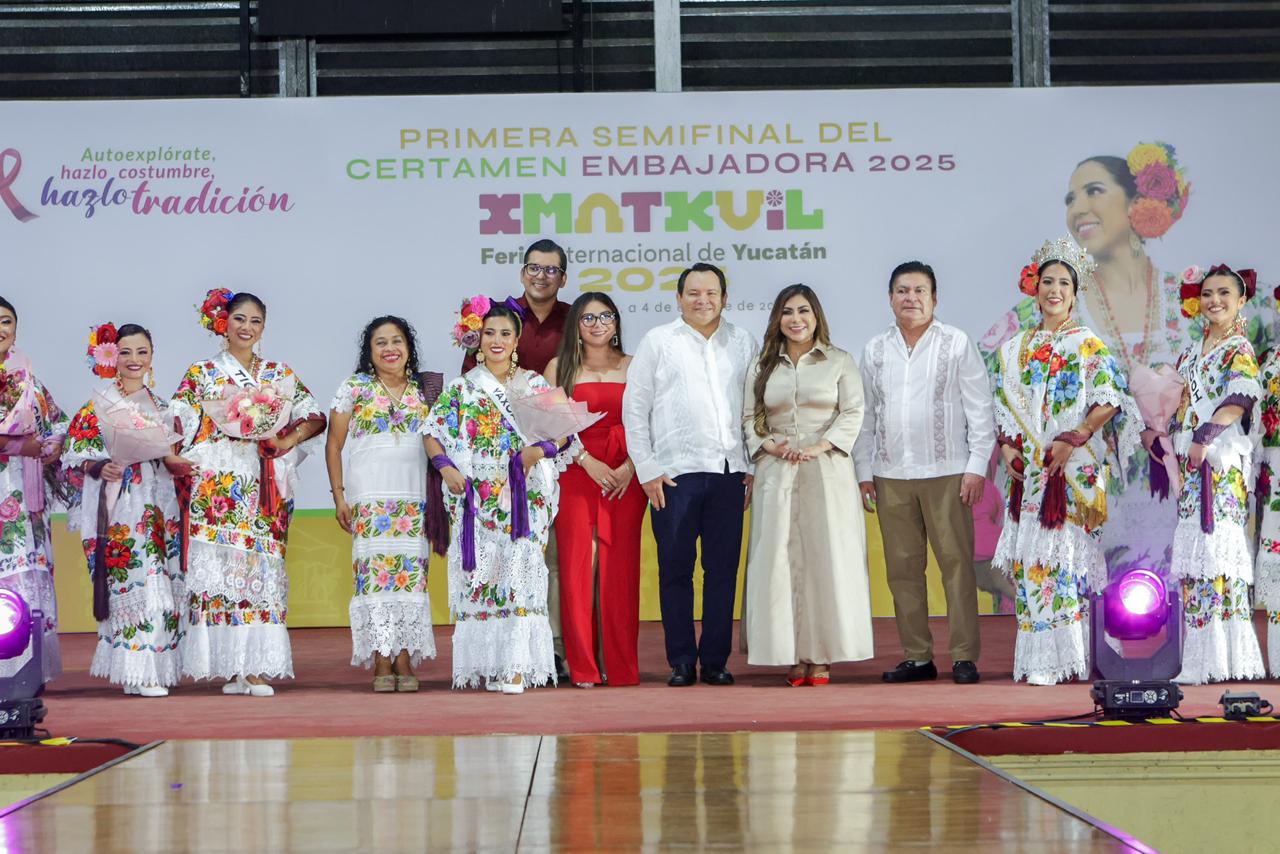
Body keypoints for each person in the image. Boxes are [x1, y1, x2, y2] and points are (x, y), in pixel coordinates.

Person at [980, 143, 1271, 584]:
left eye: (1094, 191)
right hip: (1083, 477)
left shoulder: (1198, 305)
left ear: (1137, 202)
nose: (1079, 207)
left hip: (1187, 469)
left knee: (1203, 576)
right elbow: (1004, 403)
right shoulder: (1017, 330)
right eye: (1070, 198)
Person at [991, 238, 1141, 685]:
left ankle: (1072, 657)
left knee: (1063, 561)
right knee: (1031, 561)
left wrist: (1075, 437)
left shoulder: (1087, 344)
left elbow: (1110, 398)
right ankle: (1043, 658)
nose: (1054, 290)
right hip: (1031, 472)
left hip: (1071, 470)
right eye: (1047, 282)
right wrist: (1008, 448)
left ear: (1075, 294)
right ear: (1034, 289)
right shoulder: (1014, 348)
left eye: (1063, 283)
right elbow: (1003, 407)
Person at [170, 289, 327, 697]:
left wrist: (286, 440)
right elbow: (177, 421)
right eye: (240, 319)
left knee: (259, 570)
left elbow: (314, 416)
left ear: (264, 327)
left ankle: (255, 667)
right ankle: (230, 667)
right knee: (222, 573)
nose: (247, 327)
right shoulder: (203, 372)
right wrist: (175, 454)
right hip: (218, 486)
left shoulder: (278, 373)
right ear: (224, 323)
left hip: (262, 484)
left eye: (256, 321)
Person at [853, 261, 994, 684]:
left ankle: (964, 656)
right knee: (902, 571)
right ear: (890, 298)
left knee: (956, 566)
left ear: (934, 298)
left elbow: (980, 409)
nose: (910, 298)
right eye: (902, 290)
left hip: (948, 472)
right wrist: (864, 471)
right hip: (890, 475)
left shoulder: (956, 343)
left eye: (919, 291)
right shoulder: (875, 349)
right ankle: (917, 657)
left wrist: (976, 467)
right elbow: (866, 415)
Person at [426, 297, 574, 693]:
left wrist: (538, 451)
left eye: (505, 333)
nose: (497, 340)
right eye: (489, 332)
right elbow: (432, 433)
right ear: (477, 338)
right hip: (477, 497)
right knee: (485, 578)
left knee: (520, 573)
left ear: (517, 339)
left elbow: (564, 434)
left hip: (523, 495)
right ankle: (492, 664)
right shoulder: (463, 388)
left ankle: (517, 667)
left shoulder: (534, 384)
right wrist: (446, 467)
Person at [621, 263, 757, 687]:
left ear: (724, 298)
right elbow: (635, 409)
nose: (703, 300)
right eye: (693, 293)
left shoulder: (743, 342)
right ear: (678, 298)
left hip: (728, 473)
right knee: (675, 571)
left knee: (722, 572)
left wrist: (751, 465)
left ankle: (715, 660)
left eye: (711, 293)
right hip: (673, 476)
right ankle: (680, 659)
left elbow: (754, 408)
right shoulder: (658, 341)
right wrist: (647, 469)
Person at [741, 284, 872, 685]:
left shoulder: (839, 360)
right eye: (787, 312)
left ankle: (822, 655)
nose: (795, 319)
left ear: (816, 316)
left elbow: (853, 411)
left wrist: (820, 445)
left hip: (827, 468)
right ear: (777, 319)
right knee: (779, 562)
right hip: (776, 470)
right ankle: (791, 654)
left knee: (825, 560)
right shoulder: (762, 364)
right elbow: (749, 417)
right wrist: (769, 445)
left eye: (803, 311)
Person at [462, 238, 573, 681]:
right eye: (534, 268)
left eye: (551, 270)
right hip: (490, 477)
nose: (541, 276)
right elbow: (464, 407)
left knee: (550, 563)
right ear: (522, 272)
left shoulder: (573, 319)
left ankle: (551, 652)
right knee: (494, 565)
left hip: (544, 467)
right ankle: (495, 658)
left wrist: (542, 449)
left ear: (563, 277)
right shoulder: (497, 315)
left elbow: (563, 422)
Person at [63, 323, 189, 696]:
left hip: (158, 505)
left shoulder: (163, 407)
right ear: (111, 357)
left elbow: (172, 457)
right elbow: (74, 460)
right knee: (136, 580)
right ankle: (138, 670)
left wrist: (180, 464)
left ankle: (151, 669)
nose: (134, 359)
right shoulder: (97, 405)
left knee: (161, 581)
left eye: (142, 352)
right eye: (126, 352)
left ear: (152, 357)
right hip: (119, 508)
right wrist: (101, 466)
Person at [326, 316, 446, 693]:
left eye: (397, 341)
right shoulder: (355, 387)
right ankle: (381, 657)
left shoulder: (426, 390)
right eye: (381, 342)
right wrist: (339, 495)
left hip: (414, 498)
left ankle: (404, 657)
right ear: (370, 350)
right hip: (370, 500)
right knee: (374, 580)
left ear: (409, 347)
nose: (390, 348)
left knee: (411, 578)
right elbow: (334, 444)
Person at [545, 293, 646, 688]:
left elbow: (651, 421)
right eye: (588, 318)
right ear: (576, 325)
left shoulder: (635, 365)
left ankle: (618, 665)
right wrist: (587, 461)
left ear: (616, 322)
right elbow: (551, 425)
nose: (598, 324)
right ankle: (583, 665)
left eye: (605, 316)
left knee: (620, 568)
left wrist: (630, 467)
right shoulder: (559, 367)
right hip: (577, 472)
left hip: (626, 475)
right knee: (577, 568)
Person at [1171, 265, 1266, 684]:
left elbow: (1240, 398)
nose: (1214, 301)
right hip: (1192, 467)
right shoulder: (1191, 353)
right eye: (1207, 293)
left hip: (1221, 465)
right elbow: (1178, 403)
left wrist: (1204, 436)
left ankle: (1221, 659)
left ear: (1241, 300)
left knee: (1217, 553)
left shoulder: (1238, 347)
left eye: (1224, 293)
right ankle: (1204, 658)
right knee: (1198, 559)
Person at [0, 297, 67, 685]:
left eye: (6, 321)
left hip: (24, 493)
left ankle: (27, 667)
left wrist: (53, 444)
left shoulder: (28, 381)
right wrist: (15, 446)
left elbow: (57, 421)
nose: (1, 329)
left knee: (28, 569)